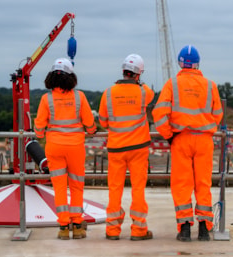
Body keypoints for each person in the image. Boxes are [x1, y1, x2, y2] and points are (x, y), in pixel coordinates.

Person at [152, 45, 222, 242]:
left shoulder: (172, 84)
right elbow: (218, 114)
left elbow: (159, 113)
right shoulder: (210, 85)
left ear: (180, 63)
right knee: (203, 184)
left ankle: (184, 229)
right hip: (204, 140)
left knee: (182, 184)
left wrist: (169, 135)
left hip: (181, 139)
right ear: (198, 64)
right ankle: (203, 229)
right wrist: (207, 127)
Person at [34, 57, 97, 240]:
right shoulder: (80, 97)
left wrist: (41, 133)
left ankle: (63, 226)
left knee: (60, 187)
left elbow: (38, 129)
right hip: (76, 147)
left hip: (54, 147)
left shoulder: (47, 99)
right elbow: (89, 124)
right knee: (76, 186)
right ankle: (77, 225)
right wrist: (91, 131)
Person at [98, 54, 155, 241]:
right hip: (138, 148)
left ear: (123, 71)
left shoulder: (108, 93)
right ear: (138, 74)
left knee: (115, 189)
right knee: (138, 189)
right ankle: (138, 231)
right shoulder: (144, 92)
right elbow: (149, 91)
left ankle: (112, 230)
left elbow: (104, 122)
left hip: (116, 148)